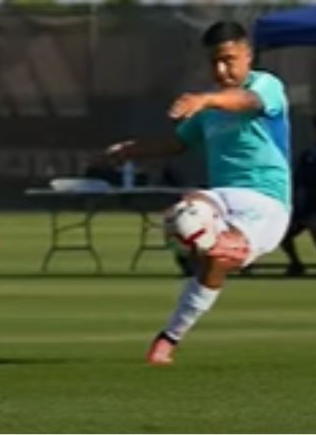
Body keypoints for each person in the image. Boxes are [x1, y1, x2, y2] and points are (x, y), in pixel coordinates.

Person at [103, 21, 291, 365]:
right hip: (223, 194)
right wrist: (133, 150)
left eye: (229, 60)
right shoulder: (208, 110)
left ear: (248, 56)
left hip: (266, 203)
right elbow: (177, 143)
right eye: (214, 62)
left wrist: (206, 99)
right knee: (186, 212)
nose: (221, 69)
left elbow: (247, 101)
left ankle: (169, 337)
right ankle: (195, 259)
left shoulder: (266, 86)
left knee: (217, 258)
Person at [278, 116, 316, 275]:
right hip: (305, 208)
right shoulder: (308, 155)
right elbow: (297, 181)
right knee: (280, 232)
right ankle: (296, 265)